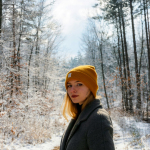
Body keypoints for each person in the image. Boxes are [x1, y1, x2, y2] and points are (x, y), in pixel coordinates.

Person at [60, 65, 115, 150]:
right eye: (69, 85)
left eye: (79, 84)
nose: (72, 90)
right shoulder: (80, 115)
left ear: (91, 87)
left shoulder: (98, 118)